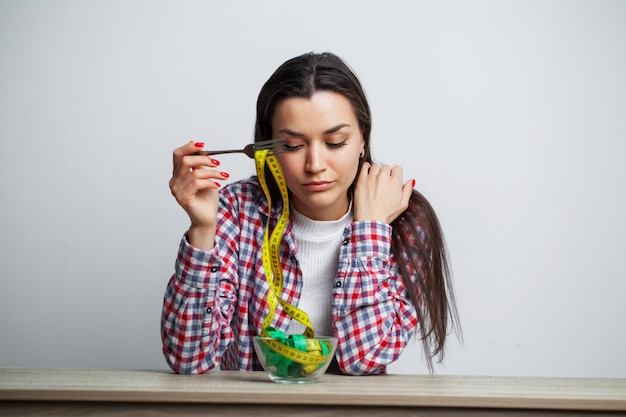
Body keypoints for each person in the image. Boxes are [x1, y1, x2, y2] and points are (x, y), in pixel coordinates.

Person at [163, 52, 459, 375]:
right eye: (292, 146)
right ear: (268, 149)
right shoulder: (236, 212)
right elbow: (188, 360)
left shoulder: (403, 221)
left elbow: (364, 358)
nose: (315, 165)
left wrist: (370, 231)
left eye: (335, 142)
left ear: (363, 140)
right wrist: (203, 229)